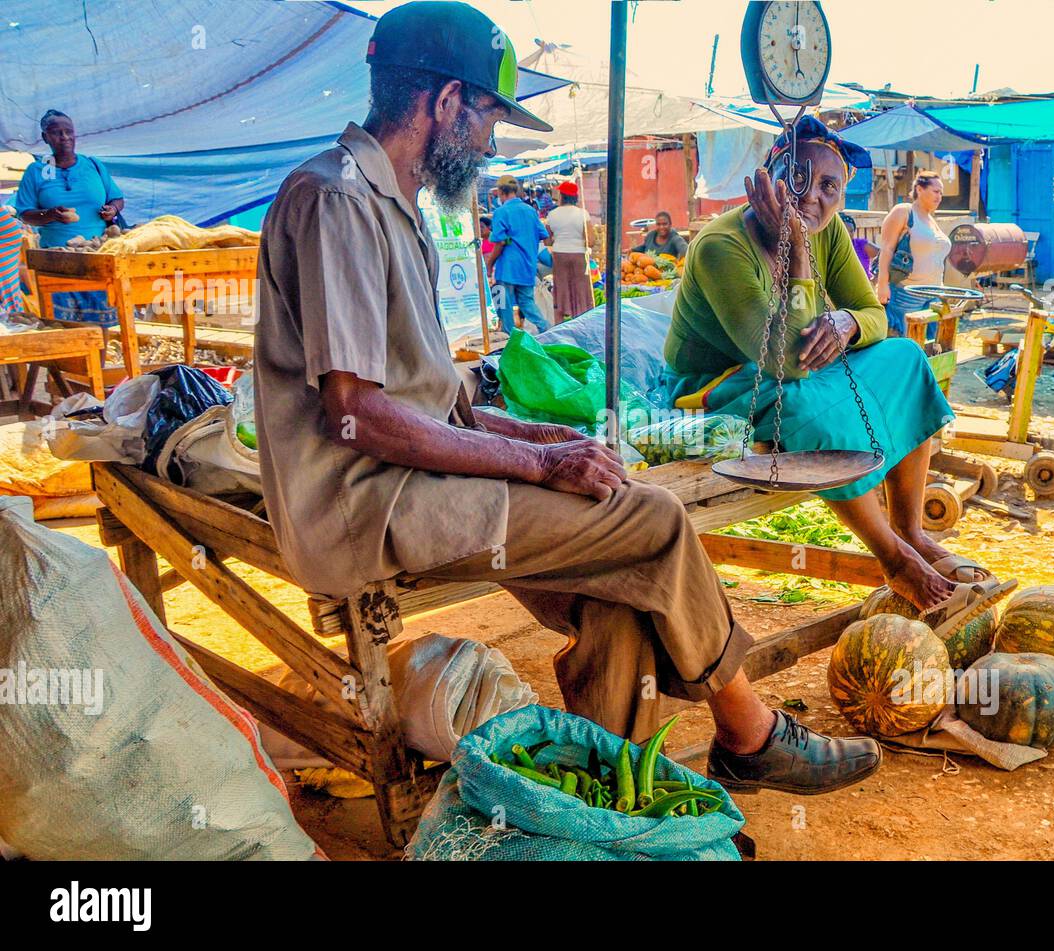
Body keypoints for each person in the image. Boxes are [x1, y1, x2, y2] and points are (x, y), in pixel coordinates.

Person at [253, 0, 881, 794]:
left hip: (409, 477)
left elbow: (425, 402)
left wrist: (543, 439)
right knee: (651, 520)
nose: (488, 142)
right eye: (487, 118)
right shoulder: (338, 199)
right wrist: (533, 462)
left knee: (616, 590)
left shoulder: (391, 203)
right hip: (361, 504)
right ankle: (749, 731)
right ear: (447, 102)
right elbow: (357, 414)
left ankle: (606, 792)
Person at [666, 116, 1015, 624]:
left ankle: (911, 530)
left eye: (830, 186)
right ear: (769, 176)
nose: (815, 196)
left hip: (795, 368)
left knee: (907, 360)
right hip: (722, 383)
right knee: (811, 411)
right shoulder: (723, 246)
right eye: (800, 178)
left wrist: (849, 322)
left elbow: (872, 311)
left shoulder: (826, 232)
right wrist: (801, 254)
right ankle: (893, 559)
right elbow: (783, 358)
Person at [13, 110, 125, 323]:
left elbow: (117, 199)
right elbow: (25, 214)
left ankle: (97, 358)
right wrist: (51, 214)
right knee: (64, 325)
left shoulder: (93, 165)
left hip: (97, 255)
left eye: (69, 132)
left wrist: (112, 210)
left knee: (99, 324)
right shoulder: (36, 171)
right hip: (57, 260)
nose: (64, 137)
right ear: (46, 137)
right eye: (57, 133)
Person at [875, 170, 952, 338]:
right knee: (904, 346)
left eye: (941, 193)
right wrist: (882, 285)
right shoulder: (904, 211)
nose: (939, 197)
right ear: (919, 189)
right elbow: (886, 248)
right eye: (936, 191)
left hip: (934, 296)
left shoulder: (931, 220)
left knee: (931, 347)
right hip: (906, 294)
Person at [485, 174, 550, 334]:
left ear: (501, 192)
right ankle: (546, 330)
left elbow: (500, 241)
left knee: (503, 304)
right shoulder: (530, 211)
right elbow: (543, 234)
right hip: (527, 265)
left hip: (507, 266)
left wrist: (490, 264)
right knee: (527, 302)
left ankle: (508, 336)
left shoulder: (501, 212)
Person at [544, 181, 594, 320]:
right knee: (580, 287)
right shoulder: (583, 214)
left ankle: (560, 320)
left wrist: (559, 239)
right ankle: (582, 318)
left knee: (561, 287)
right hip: (579, 255)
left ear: (562, 196)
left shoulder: (552, 214)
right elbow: (591, 240)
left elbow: (547, 240)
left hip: (559, 254)